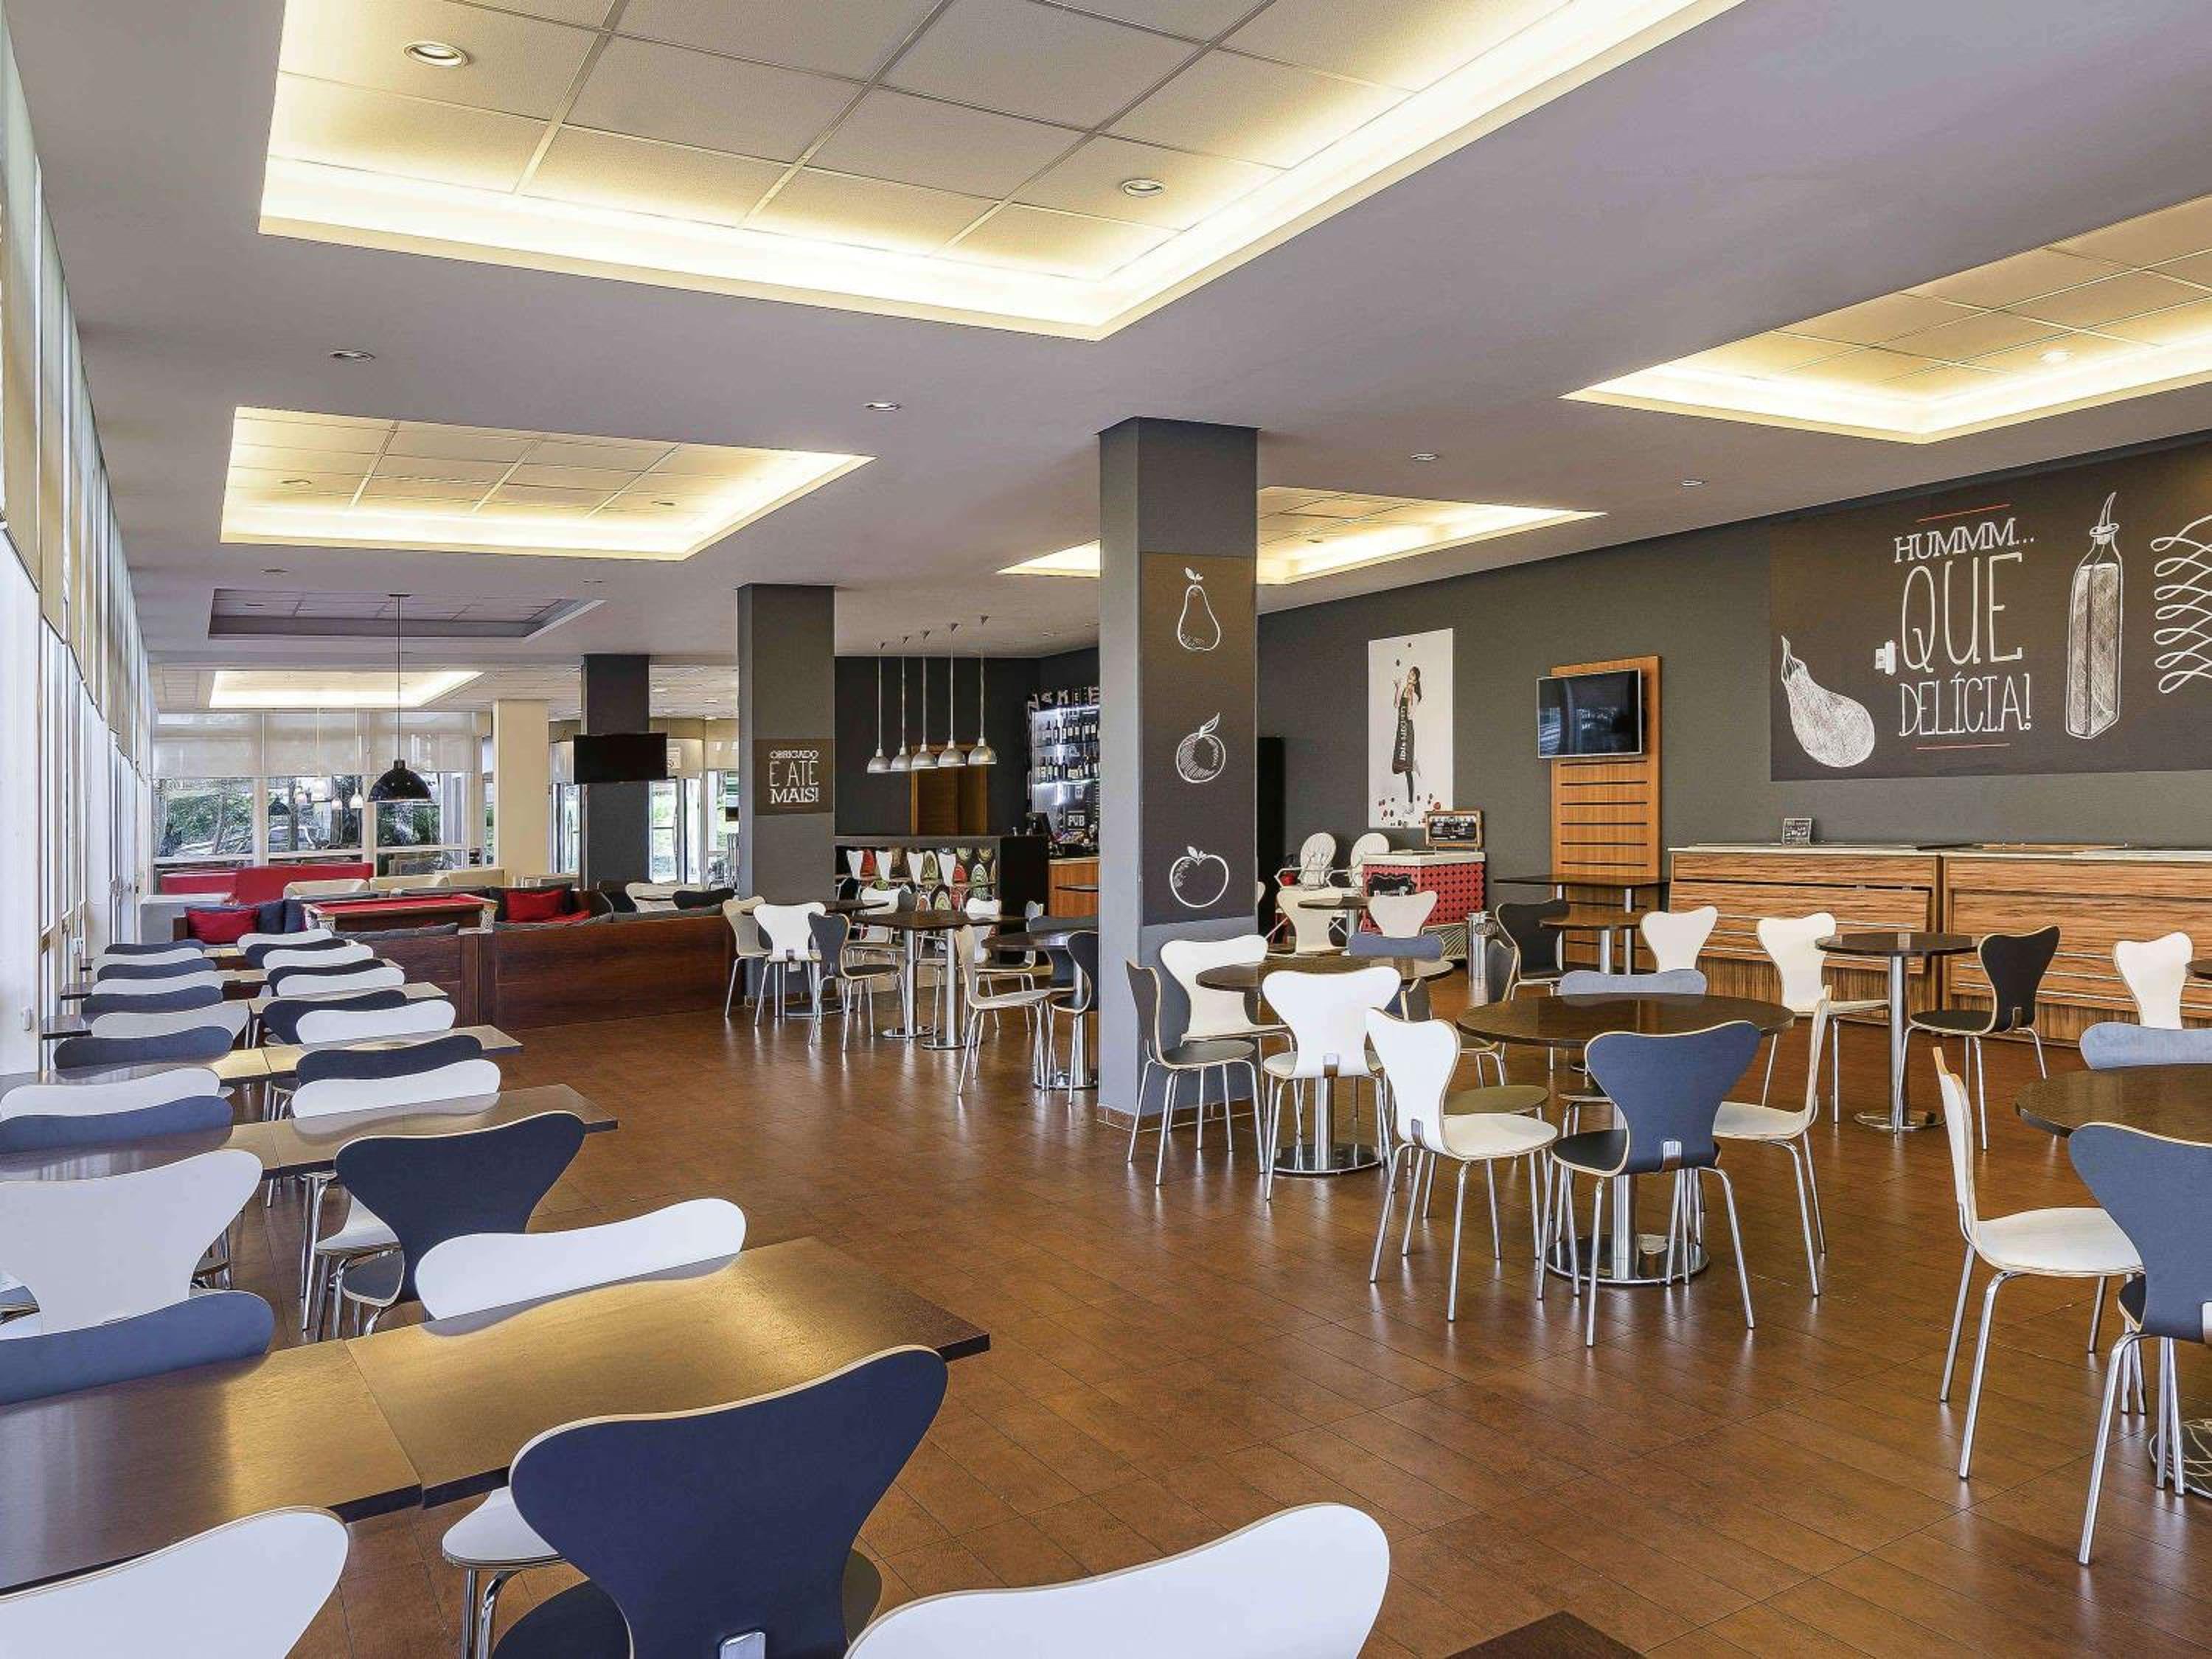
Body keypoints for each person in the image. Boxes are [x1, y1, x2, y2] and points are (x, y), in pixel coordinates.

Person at [1391, 664, 1422, 807]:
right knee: (1398, 766)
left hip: (1407, 732)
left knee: (1407, 771)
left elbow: (1410, 715)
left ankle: (1411, 804)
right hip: (1401, 731)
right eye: (1410, 673)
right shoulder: (1404, 690)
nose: (1410, 675)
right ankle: (1413, 764)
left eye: (1413, 674)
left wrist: (1410, 698)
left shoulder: (1415, 696)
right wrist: (1398, 688)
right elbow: (1396, 705)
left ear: (1416, 680)